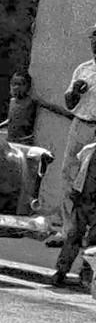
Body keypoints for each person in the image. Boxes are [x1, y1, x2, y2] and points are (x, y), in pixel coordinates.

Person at [53, 28, 96, 277]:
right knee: (70, 178)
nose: (95, 43)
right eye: (93, 38)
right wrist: (75, 92)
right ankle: (69, 231)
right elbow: (69, 103)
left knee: (90, 185)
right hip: (80, 125)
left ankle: (86, 258)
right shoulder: (83, 69)